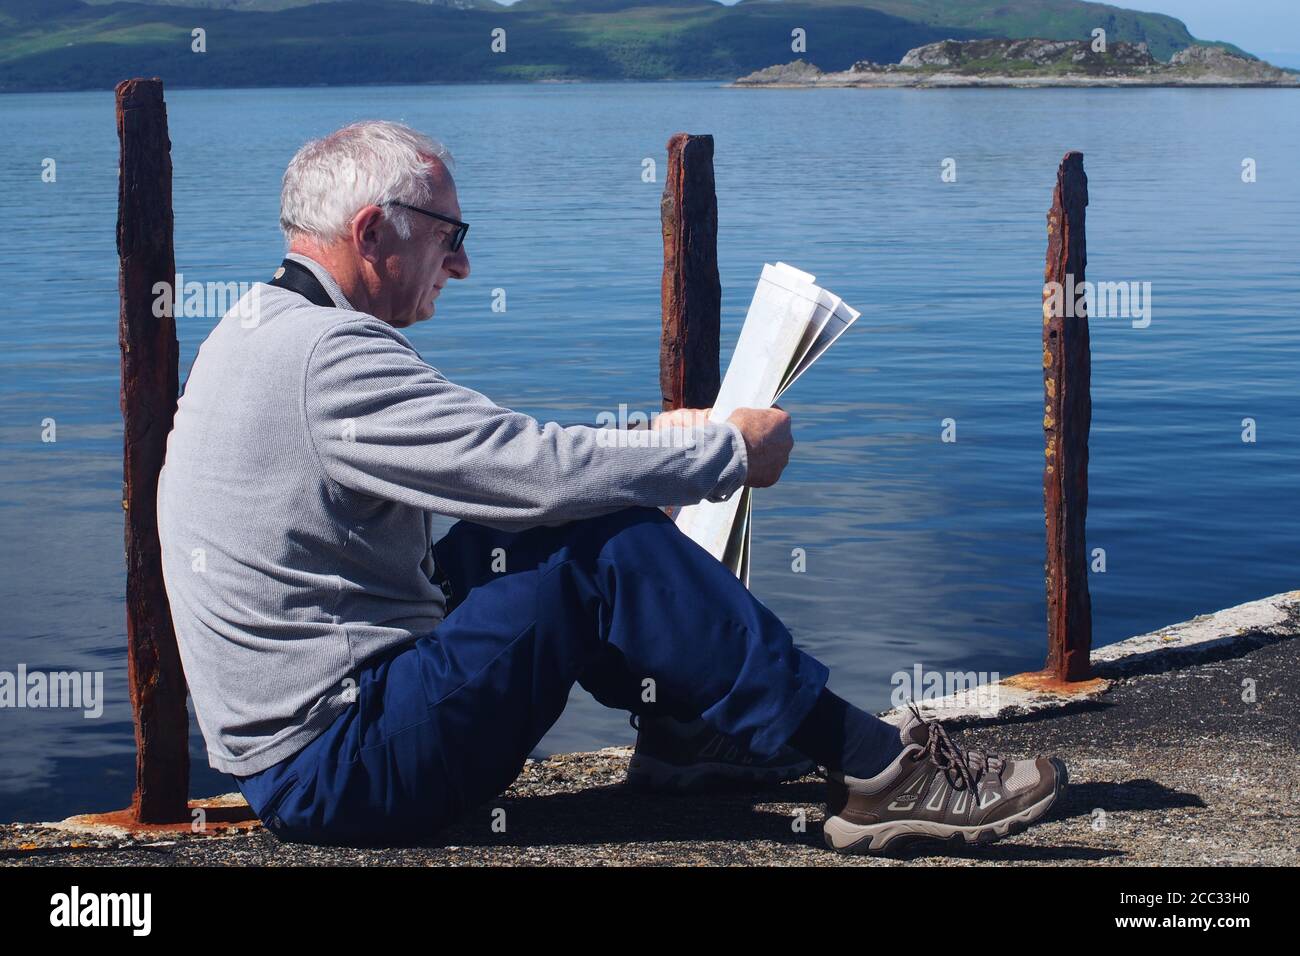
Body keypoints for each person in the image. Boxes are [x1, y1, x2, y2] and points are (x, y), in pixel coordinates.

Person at [156, 120, 1067, 854]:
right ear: (369, 233)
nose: (462, 265)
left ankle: (681, 739)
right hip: (343, 770)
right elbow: (527, 467)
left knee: (538, 534)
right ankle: (877, 771)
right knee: (594, 549)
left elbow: (499, 469)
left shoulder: (257, 327)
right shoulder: (330, 357)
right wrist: (724, 453)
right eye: (450, 237)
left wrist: (640, 449)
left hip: (301, 749)